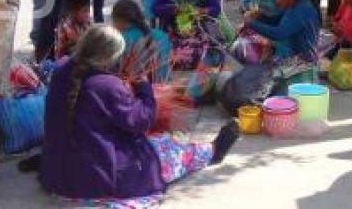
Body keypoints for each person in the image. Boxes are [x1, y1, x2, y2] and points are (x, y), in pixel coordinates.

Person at [39, 25, 239, 202]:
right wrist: (144, 89)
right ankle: (211, 151)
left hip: (57, 176)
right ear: (107, 58)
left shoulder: (60, 68)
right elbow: (141, 121)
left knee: (154, 144)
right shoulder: (108, 86)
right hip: (93, 182)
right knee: (166, 150)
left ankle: (206, 151)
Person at [243, 0, 320, 60]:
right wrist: (260, 17)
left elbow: (278, 33)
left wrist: (251, 24)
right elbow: (277, 19)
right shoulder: (294, 4)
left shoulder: (303, 9)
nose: (276, 1)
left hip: (303, 62)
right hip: (292, 55)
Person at [112, 0, 172, 83]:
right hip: (165, 89)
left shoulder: (122, 40)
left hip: (135, 90)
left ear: (119, 20)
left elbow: (115, 72)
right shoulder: (161, 35)